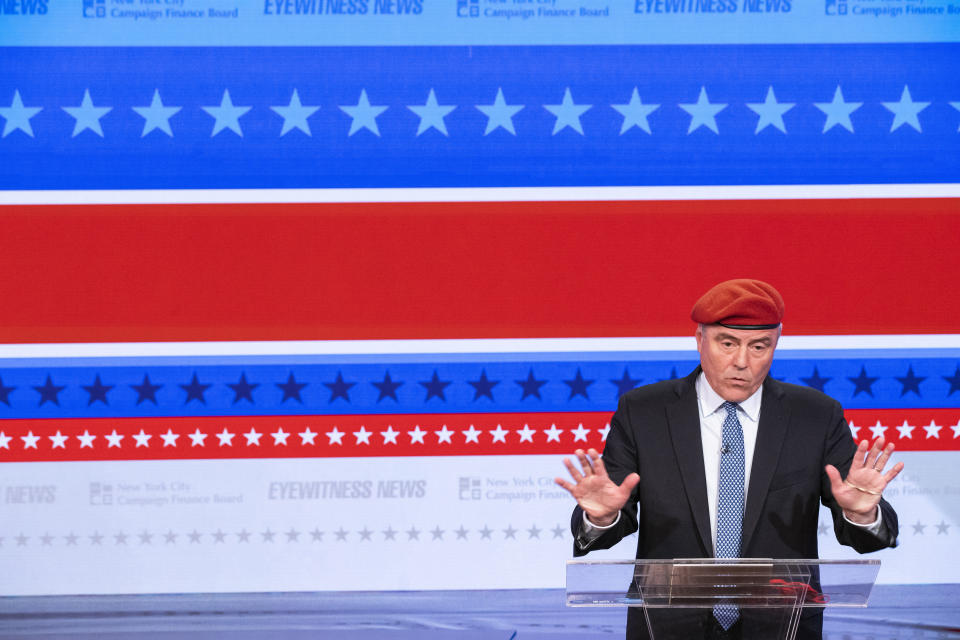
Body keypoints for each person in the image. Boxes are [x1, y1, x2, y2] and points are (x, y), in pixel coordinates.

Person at [555, 279, 902, 640]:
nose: (742, 362)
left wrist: (862, 514)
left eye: (759, 346)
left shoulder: (815, 416)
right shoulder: (644, 412)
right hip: (668, 627)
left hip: (780, 627)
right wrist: (603, 516)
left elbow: (869, 538)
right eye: (727, 343)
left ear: (776, 345)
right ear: (699, 340)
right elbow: (604, 532)